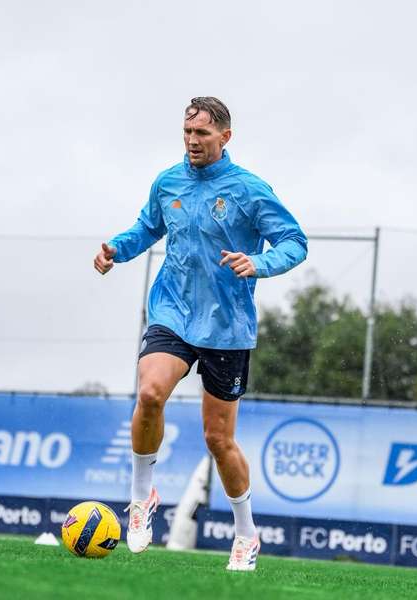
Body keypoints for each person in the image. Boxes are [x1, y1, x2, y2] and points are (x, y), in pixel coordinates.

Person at [94, 96, 307, 571]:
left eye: (202, 135)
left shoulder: (250, 190)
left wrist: (259, 263)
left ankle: (247, 535)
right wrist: (116, 250)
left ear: (225, 137)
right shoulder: (168, 181)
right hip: (172, 312)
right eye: (187, 133)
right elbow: (147, 227)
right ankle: (141, 496)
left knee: (218, 440)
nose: (192, 142)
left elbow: (295, 242)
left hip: (227, 328)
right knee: (150, 393)